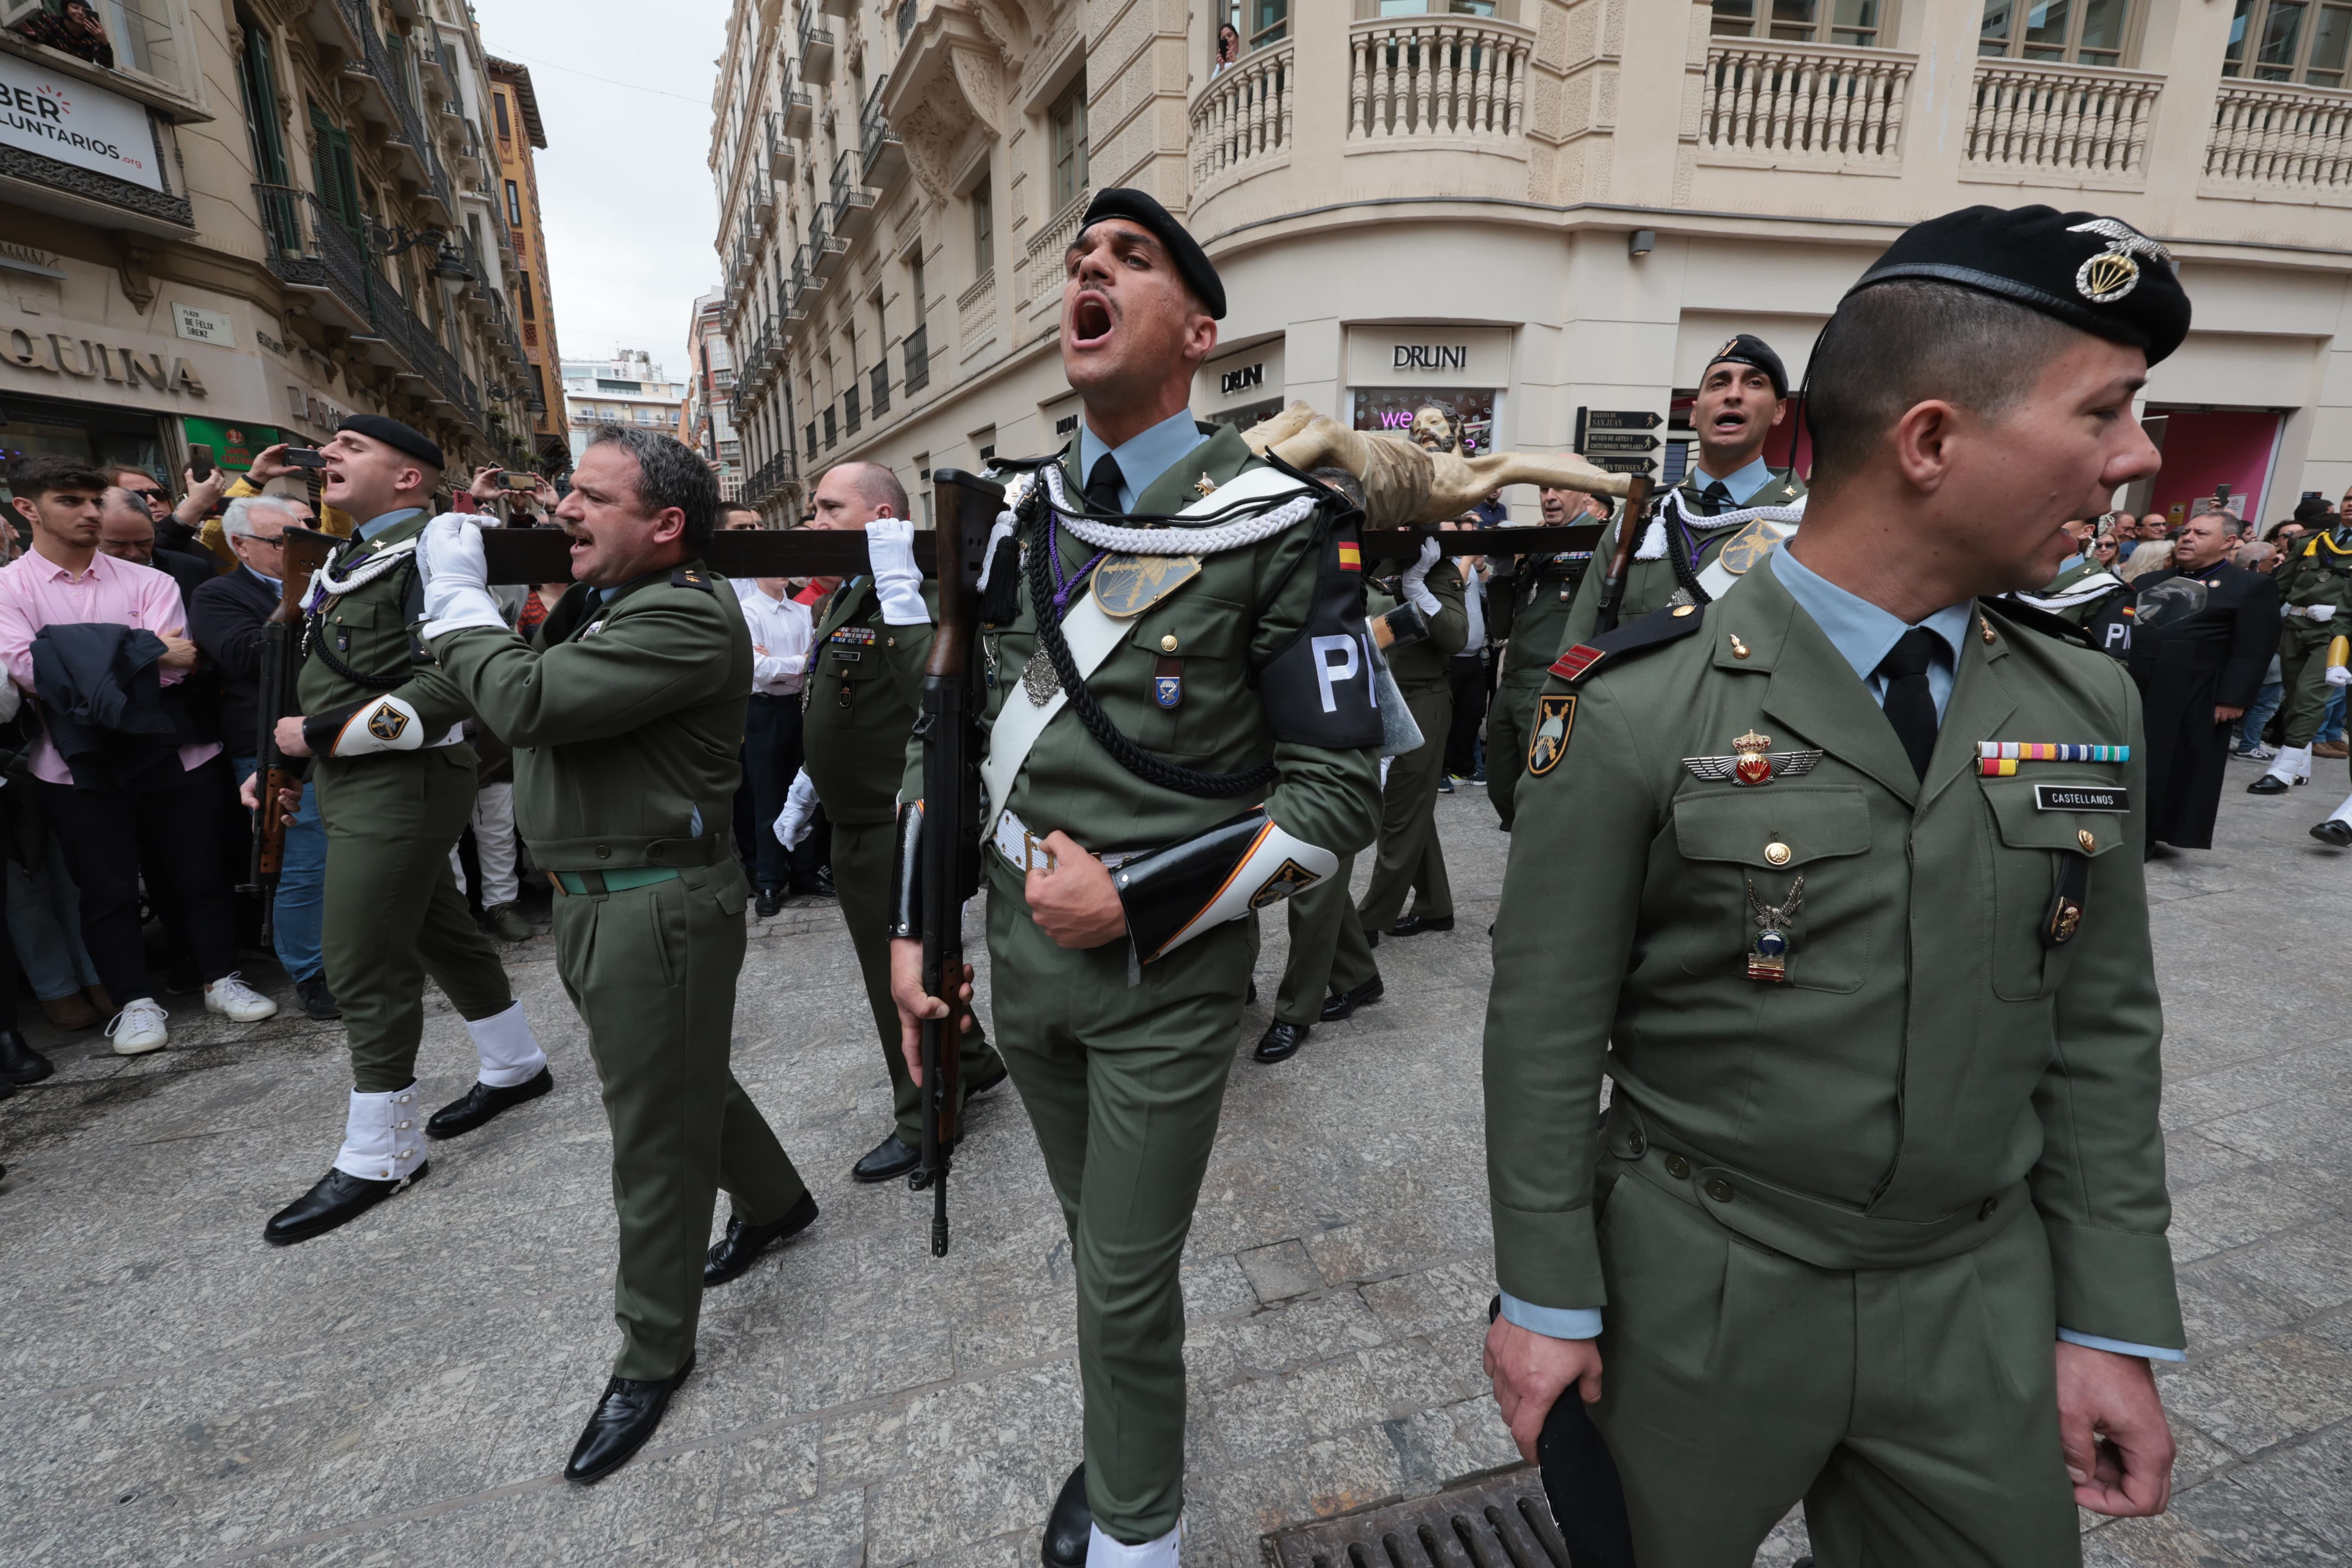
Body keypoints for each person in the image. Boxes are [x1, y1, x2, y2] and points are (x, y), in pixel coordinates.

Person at [1483, 205, 2188, 1566]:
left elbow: (2097, 1027)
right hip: (1695, 1288)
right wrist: (1545, 1297)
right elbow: (1542, 1026)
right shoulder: (1634, 702)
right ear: (1927, 441)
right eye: (2101, 411)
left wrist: (2105, 1319)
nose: (2135, 456)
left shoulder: (2083, 693)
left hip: (1974, 1296)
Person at [888, 187, 1382, 1568]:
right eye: (1076, 260)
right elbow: (943, 739)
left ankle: (1137, 1534)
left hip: (1162, 976)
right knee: (1094, 1242)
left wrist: (1142, 901)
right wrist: (911, 929)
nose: (1086, 271)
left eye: (1128, 258)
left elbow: (1337, 793)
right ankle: (1124, 1437)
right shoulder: (1014, 516)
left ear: (1196, 328)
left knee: (1113, 1274)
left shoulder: (1276, 522)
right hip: (1015, 959)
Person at [413, 424, 817, 1484]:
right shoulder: (614, 601)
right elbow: (506, 701)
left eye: (591, 496)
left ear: (667, 523)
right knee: (676, 1082)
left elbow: (527, 702)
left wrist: (461, 599)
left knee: (653, 1134)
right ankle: (778, 1202)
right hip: (598, 901)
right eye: (567, 495)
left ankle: (651, 1352)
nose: (564, 511)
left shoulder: (682, 615)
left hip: (654, 904)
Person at [259, 416, 549, 1247]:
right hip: (355, 777)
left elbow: (452, 686)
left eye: (352, 447)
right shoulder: (347, 557)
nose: (329, 457)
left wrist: (320, 737)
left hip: (403, 777)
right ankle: (515, 1064)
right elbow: (327, 672)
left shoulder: (436, 549)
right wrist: (283, 759)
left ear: (412, 477)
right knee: (432, 927)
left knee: (362, 959)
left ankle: (381, 1152)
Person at [775, 462, 1006, 1183]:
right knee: (913, 968)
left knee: (896, 980)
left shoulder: (913, 591)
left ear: (880, 517)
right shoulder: (846, 593)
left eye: (827, 508)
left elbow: (932, 697)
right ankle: (972, 1059)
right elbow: (847, 703)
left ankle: (926, 1116)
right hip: (850, 816)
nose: (812, 522)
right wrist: (810, 782)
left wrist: (903, 593)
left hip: (894, 823)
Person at [0, 456, 277, 1055]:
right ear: (27, 509)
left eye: (95, 500)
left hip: (176, 752)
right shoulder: (7, 589)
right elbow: (30, 673)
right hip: (72, 764)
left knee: (200, 874)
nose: (90, 513)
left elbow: (181, 670)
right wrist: (142, 654)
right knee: (104, 892)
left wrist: (77, 656)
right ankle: (134, 1002)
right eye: (71, 501)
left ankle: (220, 977)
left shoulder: (150, 581)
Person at [188, 495, 339, 1020]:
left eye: (303, 537)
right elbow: (249, 656)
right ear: (240, 546)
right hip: (271, 748)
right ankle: (312, 972)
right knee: (300, 864)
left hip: (336, 735)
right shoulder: (219, 594)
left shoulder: (331, 586)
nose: (298, 550)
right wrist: (307, 601)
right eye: (283, 542)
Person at [1557, 334, 1808, 649]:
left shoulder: (1805, 521)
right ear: (1694, 413)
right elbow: (1579, 643)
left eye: (1754, 383)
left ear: (1779, 411)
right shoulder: (1643, 516)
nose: (1733, 394)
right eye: (1718, 384)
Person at [2125, 507, 2280, 852]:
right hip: (2143, 685)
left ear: (2228, 542)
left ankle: (2154, 833)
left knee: (2178, 762)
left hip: (2198, 691)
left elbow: (2254, 648)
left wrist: (2234, 697)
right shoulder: (2151, 582)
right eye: (2185, 533)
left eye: (2200, 534)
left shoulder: (2251, 587)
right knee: (2135, 758)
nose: (2188, 539)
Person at [1355, 530, 1468, 937]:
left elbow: (1457, 636)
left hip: (1421, 701)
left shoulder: (1436, 569)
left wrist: (1416, 586)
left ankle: (1367, 921)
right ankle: (1436, 905)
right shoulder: (1382, 561)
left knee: (1398, 817)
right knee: (1408, 808)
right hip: (1384, 696)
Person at [1485, 487, 1605, 830]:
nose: (1549, 496)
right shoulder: (1538, 546)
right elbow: (1501, 626)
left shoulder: (1599, 544)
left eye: (1560, 489)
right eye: (1543, 489)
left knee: (1543, 795)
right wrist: (1503, 574)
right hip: (1511, 683)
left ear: (1586, 496)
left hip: (1552, 685)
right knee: (1502, 790)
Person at [717, 502, 814, 915]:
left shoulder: (804, 611)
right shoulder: (747, 612)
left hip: (798, 707)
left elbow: (812, 664)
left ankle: (807, 871)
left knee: (805, 790)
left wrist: (787, 665)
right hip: (763, 712)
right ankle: (770, 880)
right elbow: (759, 671)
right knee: (767, 797)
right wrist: (796, 663)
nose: (781, 571)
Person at [2248, 499, 2352, 796]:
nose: (2351, 505)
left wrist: (2337, 611)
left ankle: (2282, 771)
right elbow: (2282, 587)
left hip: (2336, 635)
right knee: (2293, 699)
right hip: (2297, 627)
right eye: (2348, 498)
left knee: (2309, 696)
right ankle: (2301, 767)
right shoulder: (2309, 542)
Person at [97, 487, 214, 607]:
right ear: (96, 538)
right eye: (119, 544)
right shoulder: (80, 578)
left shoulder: (194, 571)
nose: (134, 553)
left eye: (143, 543)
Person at [1442, 521, 1491, 789]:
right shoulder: (1440, 566)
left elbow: (1486, 592)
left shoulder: (1467, 563)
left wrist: (1480, 566)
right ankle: (1441, 769)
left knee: (1471, 716)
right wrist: (1469, 560)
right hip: (1451, 657)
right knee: (1447, 719)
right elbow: (1453, 589)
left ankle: (1463, 768)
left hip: (1474, 656)